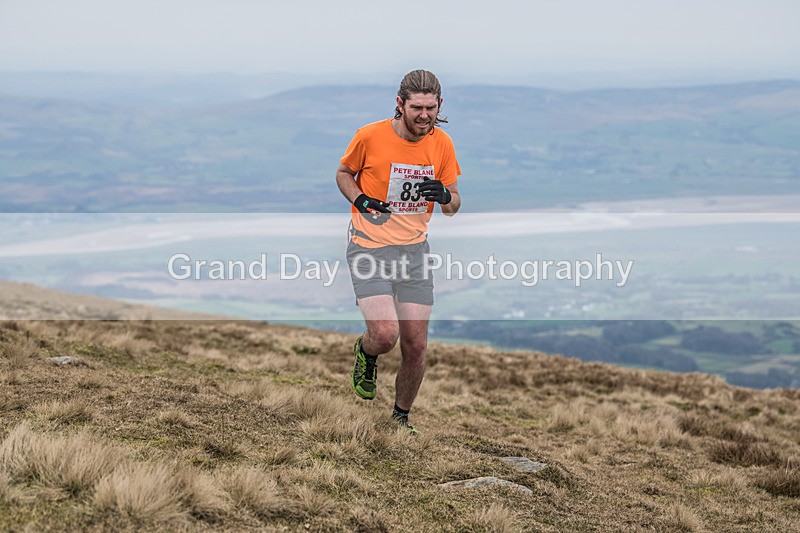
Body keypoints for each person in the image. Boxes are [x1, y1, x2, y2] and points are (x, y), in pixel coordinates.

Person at [335, 69, 461, 433]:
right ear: (400, 105)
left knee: (416, 345)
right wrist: (360, 198)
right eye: (417, 108)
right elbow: (343, 173)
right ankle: (366, 351)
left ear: (440, 106)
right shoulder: (369, 136)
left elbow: (453, 205)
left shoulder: (442, 144)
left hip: (414, 253)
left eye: (431, 108)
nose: (424, 116)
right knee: (386, 335)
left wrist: (444, 197)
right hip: (368, 247)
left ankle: (400, 419)